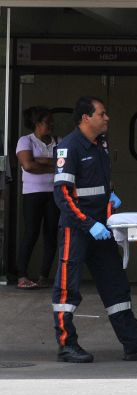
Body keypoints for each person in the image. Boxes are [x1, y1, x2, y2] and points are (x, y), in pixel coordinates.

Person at [52, 96, 137, 363]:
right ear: (86, 118)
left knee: (116, 287)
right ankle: (66, 345)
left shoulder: (100, 144)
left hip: (102, 229)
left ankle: (134, 343)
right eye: (102, 114)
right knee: (67, 290)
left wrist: (111, 197)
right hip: (78, 230)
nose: (107, 118)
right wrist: (88, 223)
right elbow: (62, 195)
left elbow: (101, 183)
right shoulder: (69, 148)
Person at [15, 106, 59, 290]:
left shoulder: (59, 141)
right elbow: (28, 165)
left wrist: (39, 159)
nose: (51, 125)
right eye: (47, 122)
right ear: (37, 123)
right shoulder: (25, 141)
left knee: (51, 234)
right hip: (32, 194)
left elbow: (65, 162)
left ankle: (44, 277)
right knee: (31, 233)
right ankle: (22, 276)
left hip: (54, 193)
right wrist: (53, 165)